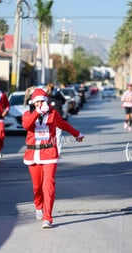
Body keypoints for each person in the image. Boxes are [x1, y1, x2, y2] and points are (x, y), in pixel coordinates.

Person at [22, 88, 84, 228]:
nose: (39, 104)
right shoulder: (27, 114)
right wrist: (37, 112)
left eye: (42, 101)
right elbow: (26, 125)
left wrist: (76, 134)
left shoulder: (53, 114)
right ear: (33, 103)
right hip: (33, 155)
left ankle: (47, 217)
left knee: (48, 185)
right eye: (37, 102)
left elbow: (63, 124)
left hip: (49, 153)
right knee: (37, 187)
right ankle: (38, 205)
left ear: (46, 102)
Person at [46, 83, 66, 155]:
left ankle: (49, 150)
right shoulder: (58, 95)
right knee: (58, 135)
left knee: (49, 135)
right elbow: (64, 101)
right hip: (58, 118)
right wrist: (59, 93)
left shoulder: (45, 96)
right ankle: (58, 151)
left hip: (49, 119)